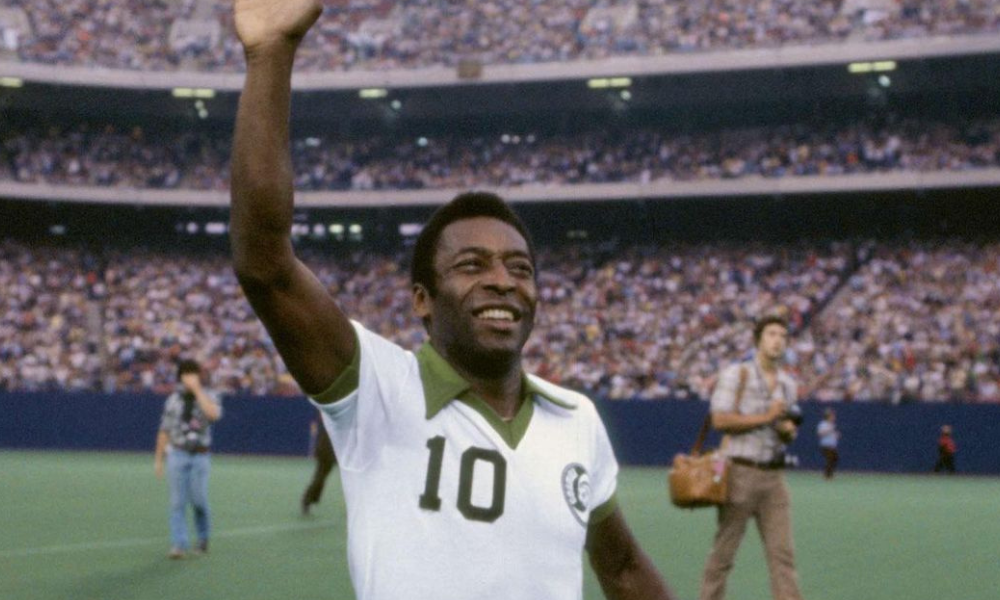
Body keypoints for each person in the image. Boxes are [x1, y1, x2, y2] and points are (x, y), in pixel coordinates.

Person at [229, 3, 678, 598]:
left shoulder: (576, 419)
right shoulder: (378, 389)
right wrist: (269, 55)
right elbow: (266, 266)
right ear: (422, 299)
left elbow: (621, 569)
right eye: (472, 265)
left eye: (520, 268)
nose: (502, 281)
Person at [699, 315, 804, 600]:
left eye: (782, 336)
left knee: (783, 557)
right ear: (758, 340)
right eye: (771, 334)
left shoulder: (788, 384)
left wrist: (786, 431)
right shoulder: (737, 374)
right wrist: (767, 417)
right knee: (723, 554)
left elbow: (787, 431)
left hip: (774, 477)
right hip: (740, 472)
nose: (778, 340)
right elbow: (720, 420)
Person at [154, 359, 223, 559]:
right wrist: (158, 459)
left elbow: (213, 414)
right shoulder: (173, 400)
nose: (189, 378)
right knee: (177, 502)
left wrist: (197, 390)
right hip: (177, 453)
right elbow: (164, 430)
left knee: (199, 500)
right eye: (186, 374)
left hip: (200, 454)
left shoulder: (209, 395)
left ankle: (203, 538)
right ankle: (179, 544)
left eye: (193, 373)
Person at [301, 415, 337, 515]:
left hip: (327, 452)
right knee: (320, 477)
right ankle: (307, 499)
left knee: (321, 476)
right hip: (326, 452)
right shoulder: (331, 420)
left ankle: (311, 498)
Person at [816, 408, 839, 479]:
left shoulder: (832, 424)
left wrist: (836, 435)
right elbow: (820, 433)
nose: (834, 417)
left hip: (832, 446)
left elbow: (832, 434)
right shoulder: (823, 424)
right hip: (826, 446)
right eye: (832, 416)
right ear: (828, 416)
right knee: (830, 459)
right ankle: (827, 475)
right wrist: (829, 430)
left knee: (835, 458)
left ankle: (830, 473)